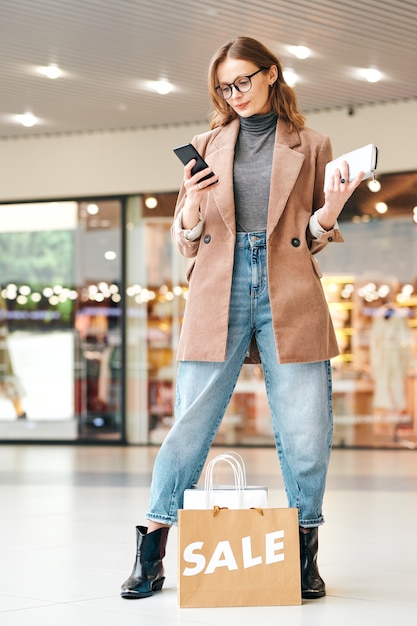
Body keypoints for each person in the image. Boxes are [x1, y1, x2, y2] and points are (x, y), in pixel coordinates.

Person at [121, 36, 363, 601]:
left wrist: (331, 208)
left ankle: (304, 547)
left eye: (242, 82)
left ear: (271, 74)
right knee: (188, 423)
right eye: (224, 88)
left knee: (306, 428)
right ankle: (152, 545)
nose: (234, 95)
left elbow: (316, 237)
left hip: (290, 288)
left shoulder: (314, 144)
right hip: (216, 289)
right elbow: (187, 240)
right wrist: (186, 202)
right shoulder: (206, 144)